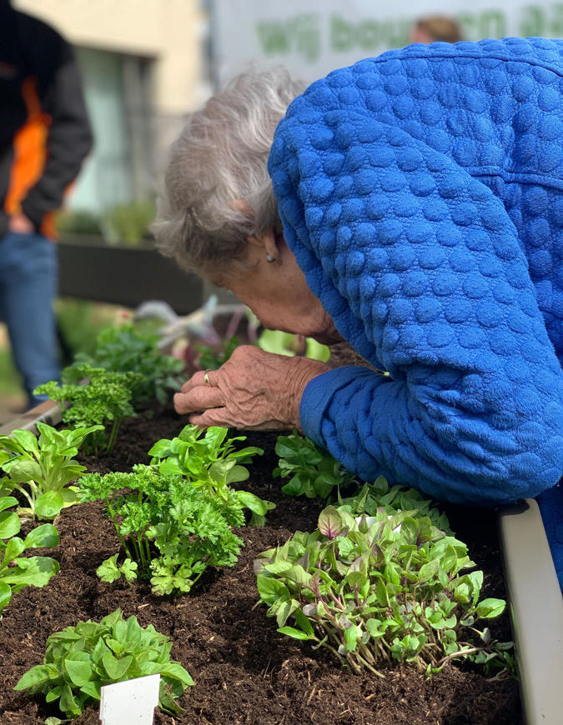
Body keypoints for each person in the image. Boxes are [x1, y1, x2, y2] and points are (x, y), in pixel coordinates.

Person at [154, 38, 563, 586]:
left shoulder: (329, 149)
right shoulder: (369, 118)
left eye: (230, 286)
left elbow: (504, 444)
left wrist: (298, 394)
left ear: (260, 241)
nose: (257, 316)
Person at [0, 0, 93, 408]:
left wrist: (32, 212)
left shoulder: (33, 40)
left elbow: (75, 133)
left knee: (40, 375)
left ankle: (53, 470)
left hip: (21, 234)